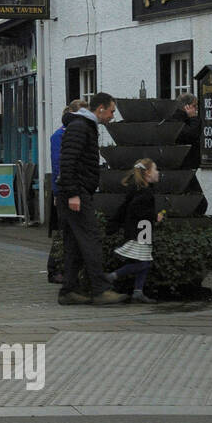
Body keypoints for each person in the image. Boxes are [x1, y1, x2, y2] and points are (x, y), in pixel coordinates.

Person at [58, 91, 124, 305]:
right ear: (101, 109)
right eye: (111, 111)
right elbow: (68, 161)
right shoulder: (80, 127)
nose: (112, 116)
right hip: (76, 193)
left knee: (75, 243)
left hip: (75, 191)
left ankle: (69, 290)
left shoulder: (83, 126)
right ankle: (100, 289)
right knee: (91, 239)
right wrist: (74, 194)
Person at [107, 158, 163, 303]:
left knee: (144, 261)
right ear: (147, 174)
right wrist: (154, 216)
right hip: (141, 231)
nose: (158, 173)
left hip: (142, 230)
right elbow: (136, 210)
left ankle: (138, 291)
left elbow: (125, 208)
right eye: (155, 169)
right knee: (143, 263)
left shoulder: (138, 190)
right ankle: (111, 277)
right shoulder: (145, 193)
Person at [47, 99, 86, 284]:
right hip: (64, 190)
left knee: (69, 230)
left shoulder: (75, 133)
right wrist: (57, 191)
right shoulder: (59, 136)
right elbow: (58, 165)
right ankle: (53, 269)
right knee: (63, 230)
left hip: (74, 188)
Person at [169, 93, 202, 171]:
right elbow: (192, 134)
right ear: (186, 106)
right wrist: (193, 117)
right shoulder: (177, 119)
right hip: (183, 163)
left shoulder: (182, 118)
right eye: (194, 105)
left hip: (186, 162)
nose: (196, 109)